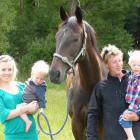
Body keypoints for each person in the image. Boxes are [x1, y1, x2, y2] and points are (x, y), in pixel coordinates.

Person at [87, 44, 140, 140]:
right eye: (114, 62)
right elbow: (92, 115)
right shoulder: (101, 87)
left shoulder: (135, 81)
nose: (118, 64)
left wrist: (138, 116)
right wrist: (91, 138)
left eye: (120, 60)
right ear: (106, 64)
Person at [0, 55, 38, 140]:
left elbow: (34, 106)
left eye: (10, 69)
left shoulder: (22, 86)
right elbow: (4, 115)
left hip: (31, 133)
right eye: (3, 69)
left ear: (14, 70)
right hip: (13, 136)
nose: (7, 72)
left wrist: (35, 107)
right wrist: (26, 108)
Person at [17, 60, 49, 132]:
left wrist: (41, 109)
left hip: (31, 105)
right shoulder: (32, 82)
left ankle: (28, 123)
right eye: (37, 78)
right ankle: (34, 129)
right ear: (32, 75)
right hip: (27, 103)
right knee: (21, 113)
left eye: (42, 79)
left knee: (18, 109)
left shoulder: (39, 87)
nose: (39, 81)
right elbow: (27, 85)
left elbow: (42, 98)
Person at [119, 50, 140, 140]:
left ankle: (131, 137)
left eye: (139, 65)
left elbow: (137, 96)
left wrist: (131, 109)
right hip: (132, 105)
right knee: (122, 118)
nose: (136, 67)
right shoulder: (131, 76)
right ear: (130, 65)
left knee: (123, 118)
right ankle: (131, 136)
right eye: (134, 65)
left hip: (136, 106)